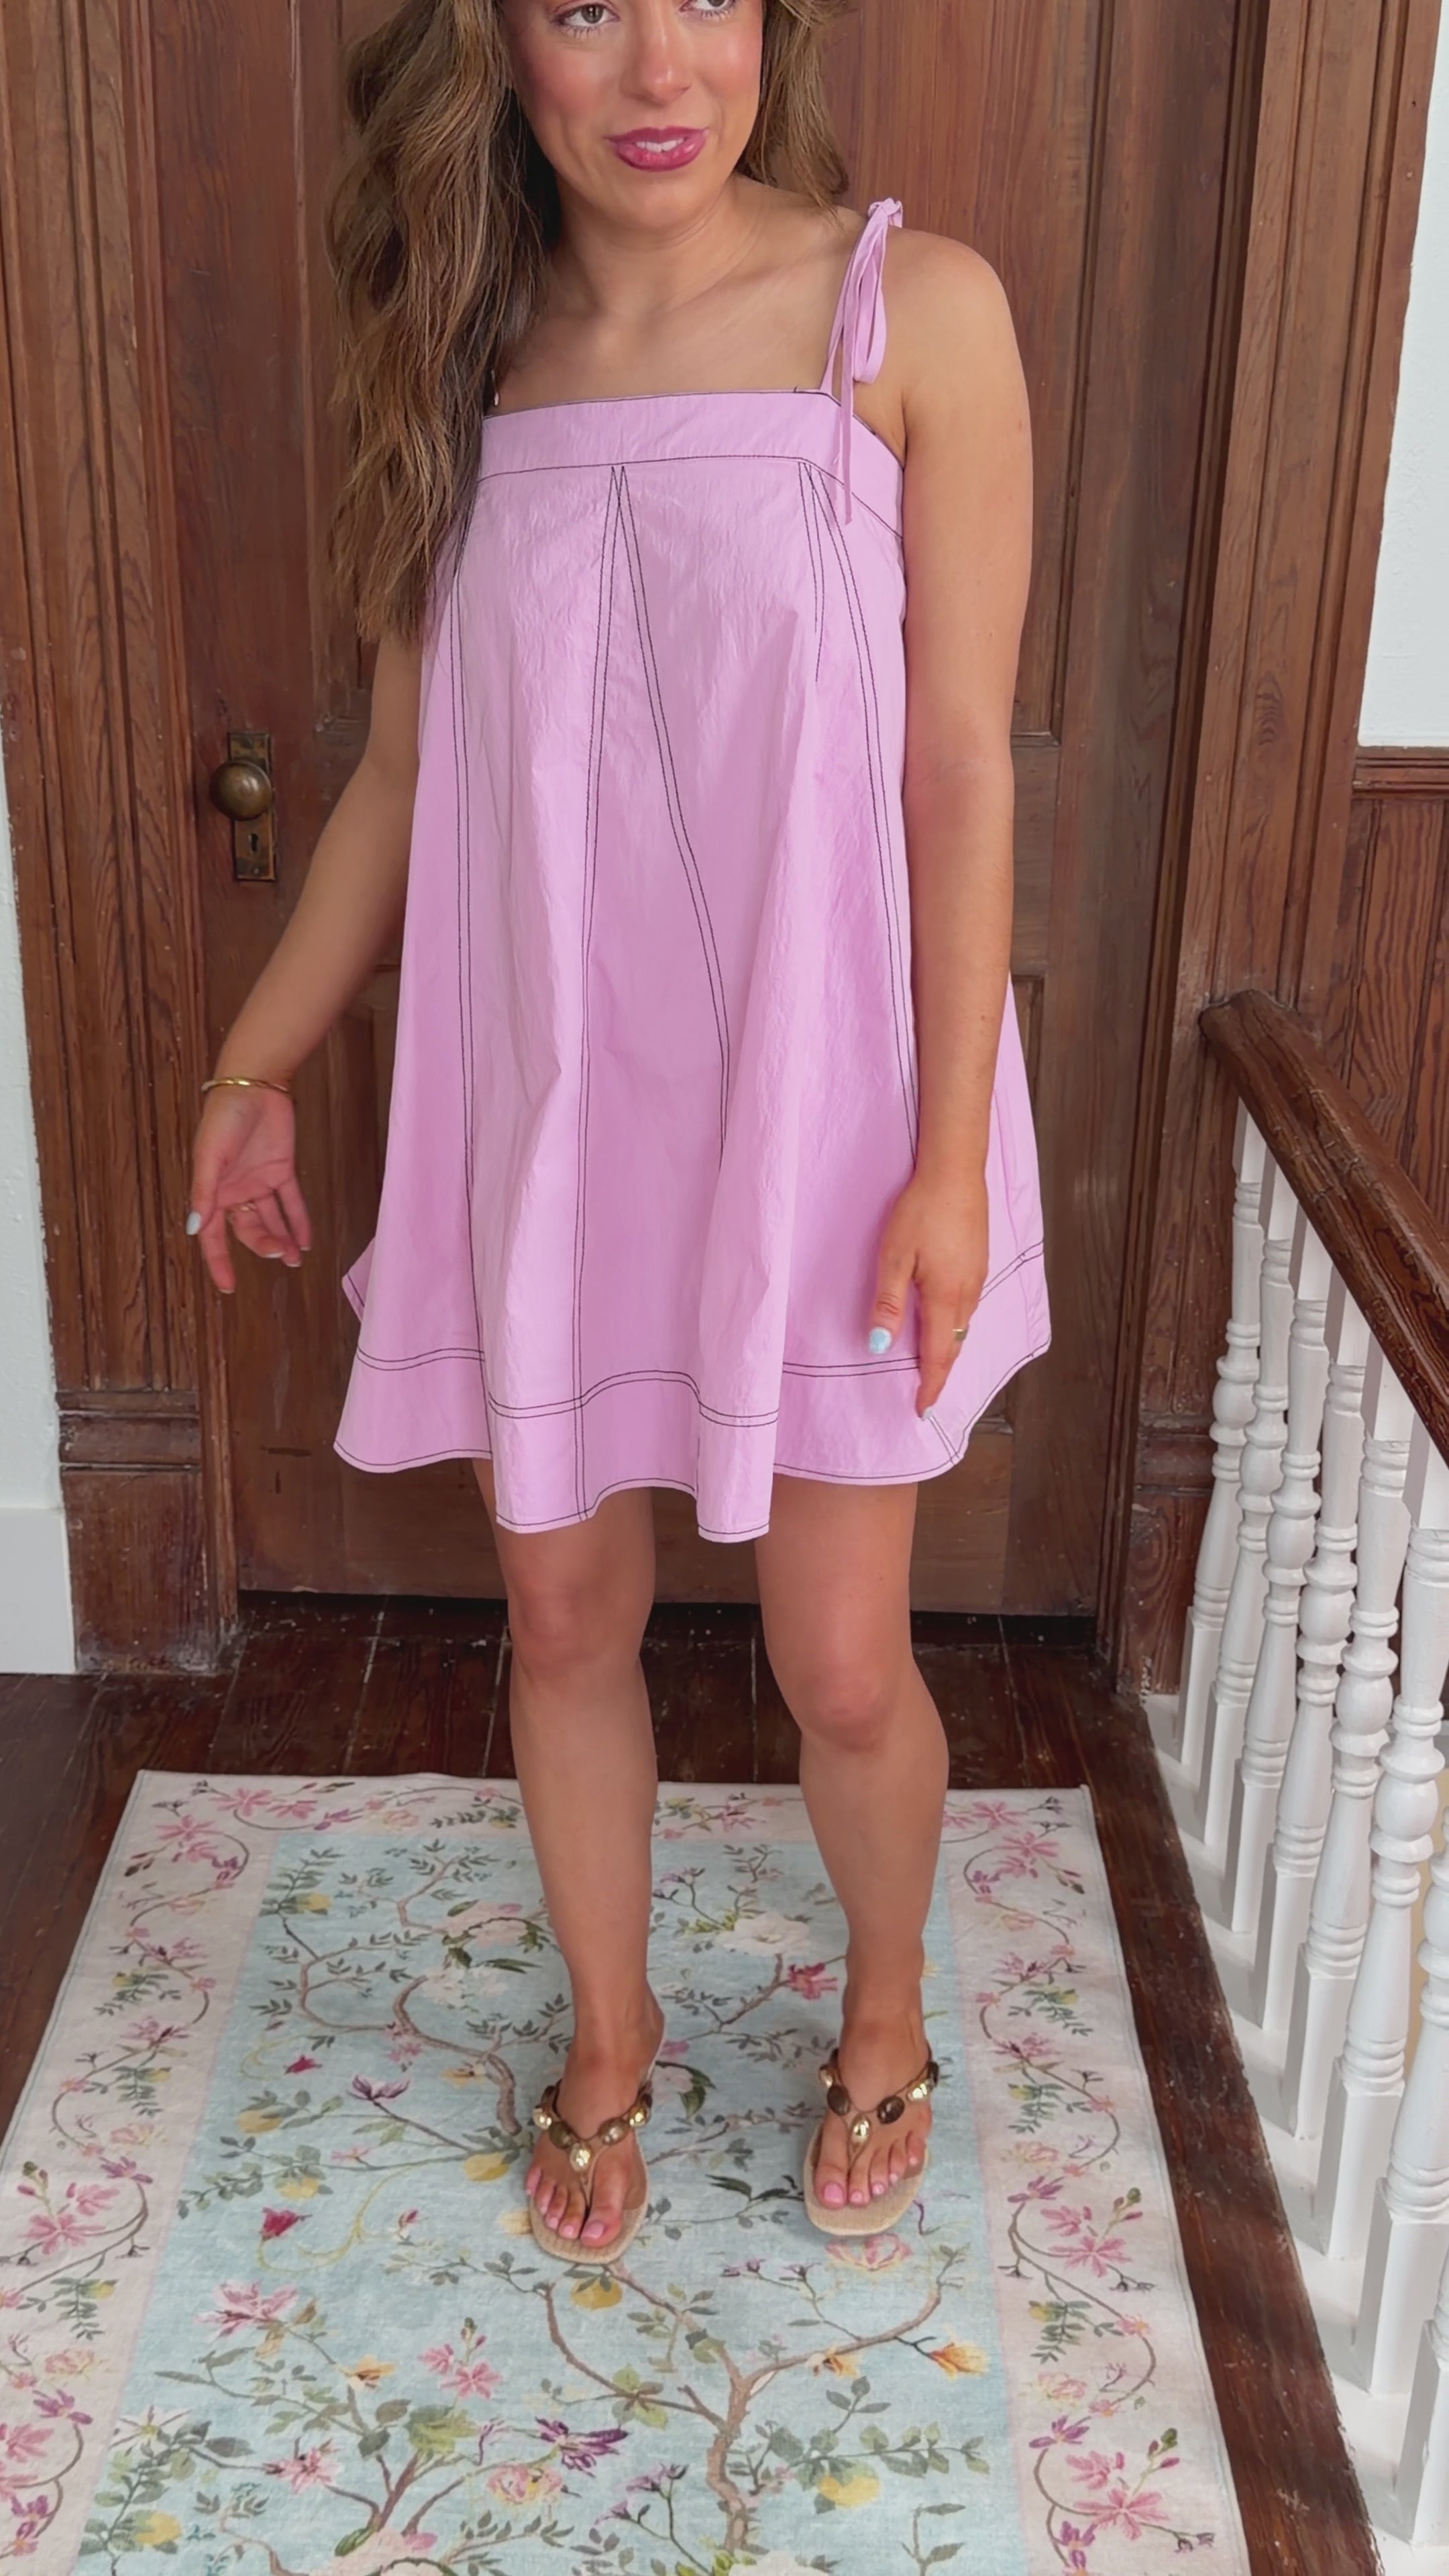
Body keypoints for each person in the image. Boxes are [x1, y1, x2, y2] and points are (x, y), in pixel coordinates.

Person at [185, 0, 1048, 2265]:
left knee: (839, 1658)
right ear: (498, 42)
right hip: (555, 1108)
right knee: (563, 1613)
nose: (664, 67)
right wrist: (250, 1068)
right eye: (585, 2)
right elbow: (401, 777)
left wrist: (954, 1157)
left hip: (831, 1115)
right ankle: (607, 2028)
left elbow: (963, 765)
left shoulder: (912, 314)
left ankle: (885, 2004)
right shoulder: (465, 358)